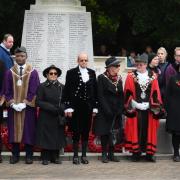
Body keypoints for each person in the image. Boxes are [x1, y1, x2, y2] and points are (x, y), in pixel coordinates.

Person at [124, 54, 163, 162]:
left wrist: (150, 105)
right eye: (137, 64)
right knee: (135, 130)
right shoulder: (131, 76)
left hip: (149, 110)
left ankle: (149, 154)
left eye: (141, 64)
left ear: (146, 64)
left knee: (149, 130)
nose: (139, 66)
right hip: (136, 110)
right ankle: (136, 153)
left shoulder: (153, 76)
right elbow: (127, 93)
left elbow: (156, 94)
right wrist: (134, 103)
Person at [5, 46, 40, 164]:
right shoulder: (9, 72)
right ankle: (15, 155)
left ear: (26, 57)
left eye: (22, 56)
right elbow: (6, 90)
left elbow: (34, 89)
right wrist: (12, 103)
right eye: (18, 56)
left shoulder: (33, 72)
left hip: (28, 108)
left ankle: (29, 155)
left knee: (28, 131)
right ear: (15, 57)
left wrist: (26, 103)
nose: (20, 58)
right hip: (13, 108)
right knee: (14, 130)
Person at [63, 52, 98, 165]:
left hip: (88, 107)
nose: (84, 62)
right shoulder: (71, 73)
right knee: (76, 132)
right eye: (81, 60)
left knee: (85, 132)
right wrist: (68, 107)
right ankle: (75, 156)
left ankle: (84, 155)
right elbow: (67, 90)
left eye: (85, 60)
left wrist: (95, 107)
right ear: (77, 61)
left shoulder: (92, 73)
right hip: (76, 107)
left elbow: (95, 91)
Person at [93, 56, 124, 163]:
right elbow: (100, 96)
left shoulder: (119, 78)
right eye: (116, 66)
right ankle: (104, 154)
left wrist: (120, 108)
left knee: (113, 133)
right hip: (105, 111)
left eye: (118, 66)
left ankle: (112, 154)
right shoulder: (101, 78)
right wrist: (107, 110)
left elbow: (121, 95)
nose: (118, 68)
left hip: (116, 111)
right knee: (105, 133)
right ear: (110, 68)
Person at [36, 65, 65, 165]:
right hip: (46, 115)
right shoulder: (42, 86)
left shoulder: (62, 87)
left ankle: (55, 157)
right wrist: (51, 108)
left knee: (57, 137)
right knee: (46, 137)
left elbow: (66, 101)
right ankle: (45, 157)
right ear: (47, 75)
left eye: (55, 73)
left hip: (57, 116)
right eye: (51, 73)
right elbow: (38, 101)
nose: (53, 75)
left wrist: (61, 108)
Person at [0, 33, 14, 162]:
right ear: (4, 41)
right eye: (9, 41)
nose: (11, 44)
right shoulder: (1, 52)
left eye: (12, 42)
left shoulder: (6, 52)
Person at [166, 66, 180, 162]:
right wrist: (169, 108)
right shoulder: (173, 78)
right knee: (176, 133)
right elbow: (168, 95)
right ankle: (176, 154)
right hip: (175, 110)